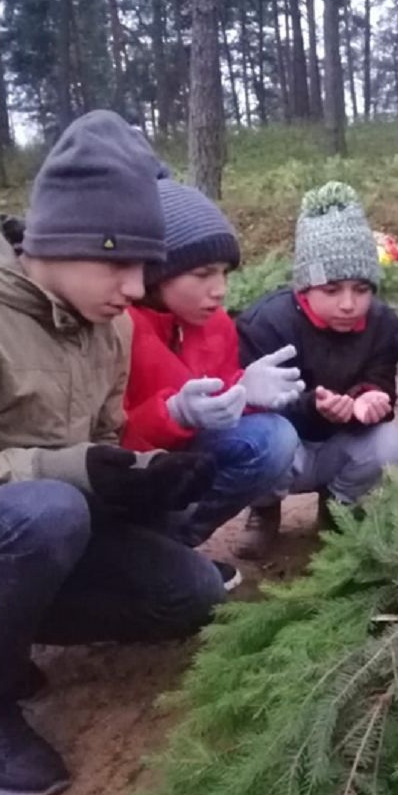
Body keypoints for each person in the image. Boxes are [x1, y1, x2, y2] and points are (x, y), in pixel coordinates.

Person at [0, 111, 227, 795]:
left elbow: (96, 446)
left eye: (145, 267)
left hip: (32, 537)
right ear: (62, 241)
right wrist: (69, 476)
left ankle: (11, 634)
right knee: (48, 511)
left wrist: (139, 480)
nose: (137, 289)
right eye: (121, 263)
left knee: (191, 592)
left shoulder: (110, 327)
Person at [122, 175, 303, 557]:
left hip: (183, 458)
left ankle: (172, 548)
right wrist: (173, 415)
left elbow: (216, 395)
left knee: (274, 437)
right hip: (127, 470)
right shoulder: (119, 328)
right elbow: (103, 440)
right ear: (156, 273)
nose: (219, 289)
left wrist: (244, 389)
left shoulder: (215, 322)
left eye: (224, 272)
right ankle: (131, 551)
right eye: (203, 274)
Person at [235, 182, 398, 558]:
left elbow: (382, 381)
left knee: (390, 441)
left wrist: (370, 400)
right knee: (256, 439)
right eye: (332, 290)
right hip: (287, 442)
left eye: (361, 289)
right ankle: (264, 509)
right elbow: (251, 405)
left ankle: (339, 506)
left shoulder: (381, 322)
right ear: (304, 288)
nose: (349, 304)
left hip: (340, 441)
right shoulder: (266, 323)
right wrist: (314, 405)